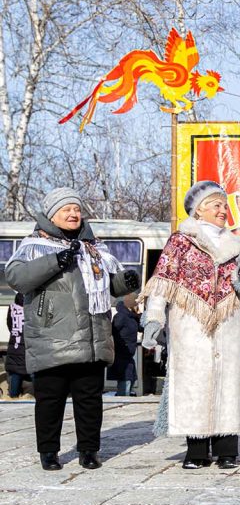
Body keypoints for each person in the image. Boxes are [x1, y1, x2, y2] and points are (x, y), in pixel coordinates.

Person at [5, 188, 139, 470]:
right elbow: (16, 277)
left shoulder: (94, 248)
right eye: (66, 209)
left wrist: (125, 281)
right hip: (51, 336)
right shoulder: (33, 246)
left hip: (92, 337)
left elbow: (109, 287)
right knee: (50, 400)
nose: (73, 214)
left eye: (76, 209)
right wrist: (55, 262)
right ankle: (49, 453)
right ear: (52, 214)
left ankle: (89, 451)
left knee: (89, 399)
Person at [140, 180, 240, 470]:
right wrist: (153, 318)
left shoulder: (236, 244)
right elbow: (163, 282)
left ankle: (228, 450)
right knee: (194, 384)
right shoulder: (180, 241)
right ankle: (197, 451)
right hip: (190, 323)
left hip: (227, 323)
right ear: (199, 210)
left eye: (225, 205)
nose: (223, 210)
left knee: (229, 384)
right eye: (216, 205)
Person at [109, 294, 141, 396]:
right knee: (126, 379)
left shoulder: (132, 317)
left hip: (128, 354)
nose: (138, 306)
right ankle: (122, 400)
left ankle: (123, 397)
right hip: (122, 353)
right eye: (137, 304)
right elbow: (112, 331)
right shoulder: (121, 316)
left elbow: (141, 328)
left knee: (131, 378)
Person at [5, 293, 29, 398]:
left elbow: (9, 324)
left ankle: (13, 397)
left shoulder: (12, 307)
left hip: (15, 345)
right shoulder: (32, 307)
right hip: (29, 346)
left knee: (15, 373)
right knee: (34, 372)